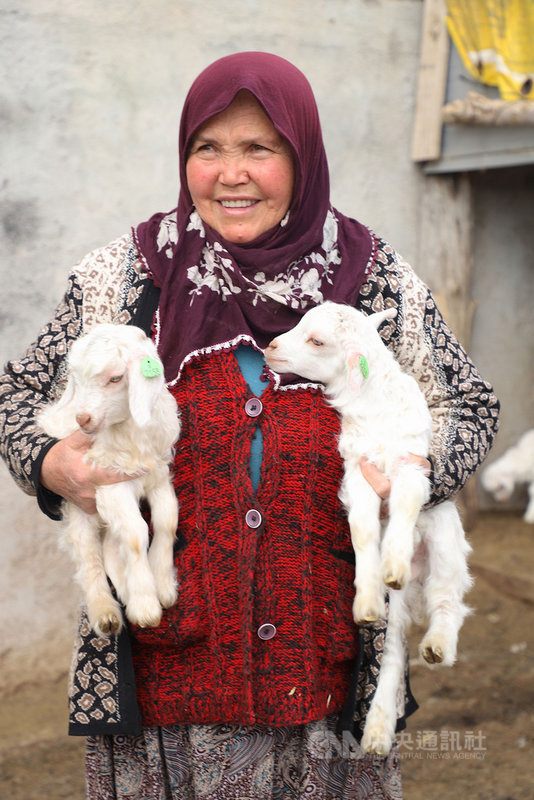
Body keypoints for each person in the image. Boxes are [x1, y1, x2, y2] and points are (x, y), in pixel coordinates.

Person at [0, 51, 499, 799]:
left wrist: (414, 473)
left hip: (325, 656)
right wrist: (52, 464)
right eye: (208, 149)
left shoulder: (371, 277)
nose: (230, 174)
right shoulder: (128, 275)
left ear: (301, 159)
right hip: (166, 669)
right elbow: (15, 400)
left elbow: (469, 405)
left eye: (259, 149)